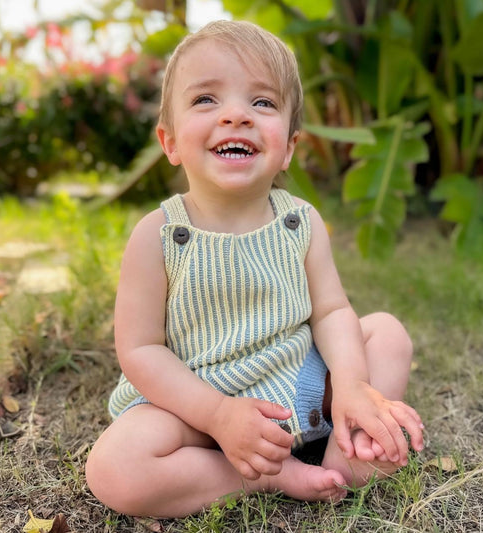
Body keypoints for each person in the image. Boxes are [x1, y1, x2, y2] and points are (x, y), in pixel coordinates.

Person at [85, 20, 424, 519]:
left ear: (287, 146)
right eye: (206, 100)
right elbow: (140, 350)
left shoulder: (300, 222)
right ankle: (275, 477)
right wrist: (218, 414)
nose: (236, 116)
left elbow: (331, 312)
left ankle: (344, 457)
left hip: (300, 390)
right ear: (171, 140)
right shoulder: (156, 235)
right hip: (198, 407)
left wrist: (351, 384)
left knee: (388, 334)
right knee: (114, 467)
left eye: (262, 103)